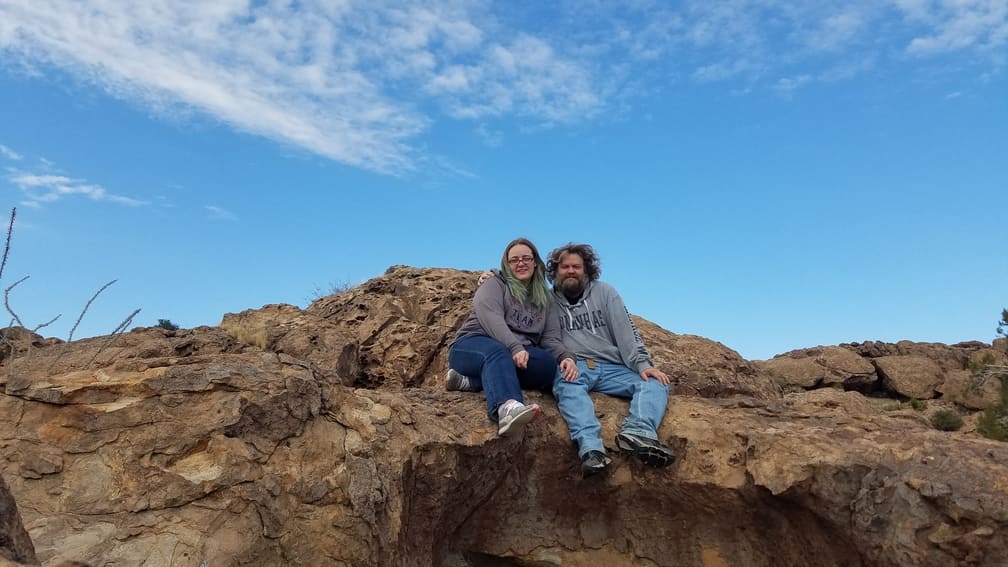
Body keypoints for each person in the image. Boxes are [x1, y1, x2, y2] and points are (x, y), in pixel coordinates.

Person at [547, 243, 676, 477]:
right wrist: (492, 276)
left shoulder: (605, 293)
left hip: (613, 367)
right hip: (578, 366)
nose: (571, 271)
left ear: (587, 271)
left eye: (576, 266)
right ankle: (592, 450)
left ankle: (638, 432)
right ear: (555, 272)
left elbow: (626, 332)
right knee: (566, 385)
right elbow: (517, 288)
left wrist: (643, 365)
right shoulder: (546, 301)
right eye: (564, 267)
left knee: (656, 382)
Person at [447, 238, 578, 436]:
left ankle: (471, 383)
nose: (521, 263)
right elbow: (492, 319)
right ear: (506, 265)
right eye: (514, 260)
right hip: (472, 345)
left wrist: (565, 357)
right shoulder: (494, 284)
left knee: (547, 365)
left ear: (535, 262)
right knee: (498, 352)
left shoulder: (546, 299)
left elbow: (550, 339)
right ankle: (506, 407)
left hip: (515, 354)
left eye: (526, 258)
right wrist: (515, 347)